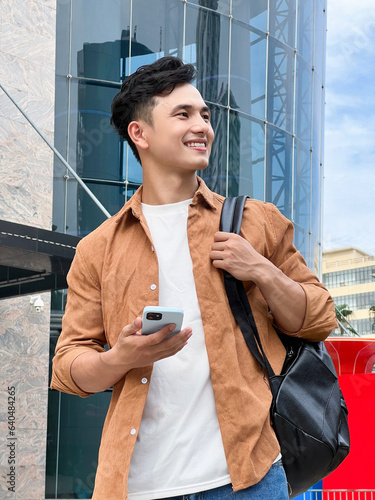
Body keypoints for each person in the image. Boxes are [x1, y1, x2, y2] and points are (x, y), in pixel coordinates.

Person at [51, 56, 338, 500]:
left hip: (248, 479)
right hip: (138, 486)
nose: (201, 126)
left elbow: (320, 318)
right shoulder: (98, 249)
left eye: (204, 115)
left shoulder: (255, 222)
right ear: (139, 133)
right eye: (182, 114)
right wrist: (120, 357)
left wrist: (260, 269)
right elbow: (70, 369)